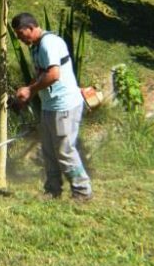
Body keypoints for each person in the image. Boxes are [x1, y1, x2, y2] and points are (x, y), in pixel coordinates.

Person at [11, 12, 93, 201]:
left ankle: (82, 191)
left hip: (64, 105)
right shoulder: (36, 47)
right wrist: (27, 94)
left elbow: (54, 75)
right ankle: (53, 190)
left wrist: (30, 90)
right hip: (50, 106)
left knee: (65, 150)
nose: (20, 39)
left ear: (31, 28)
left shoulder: (49, 44)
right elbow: (42, 75)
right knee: (48, 150)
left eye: (21, 34)